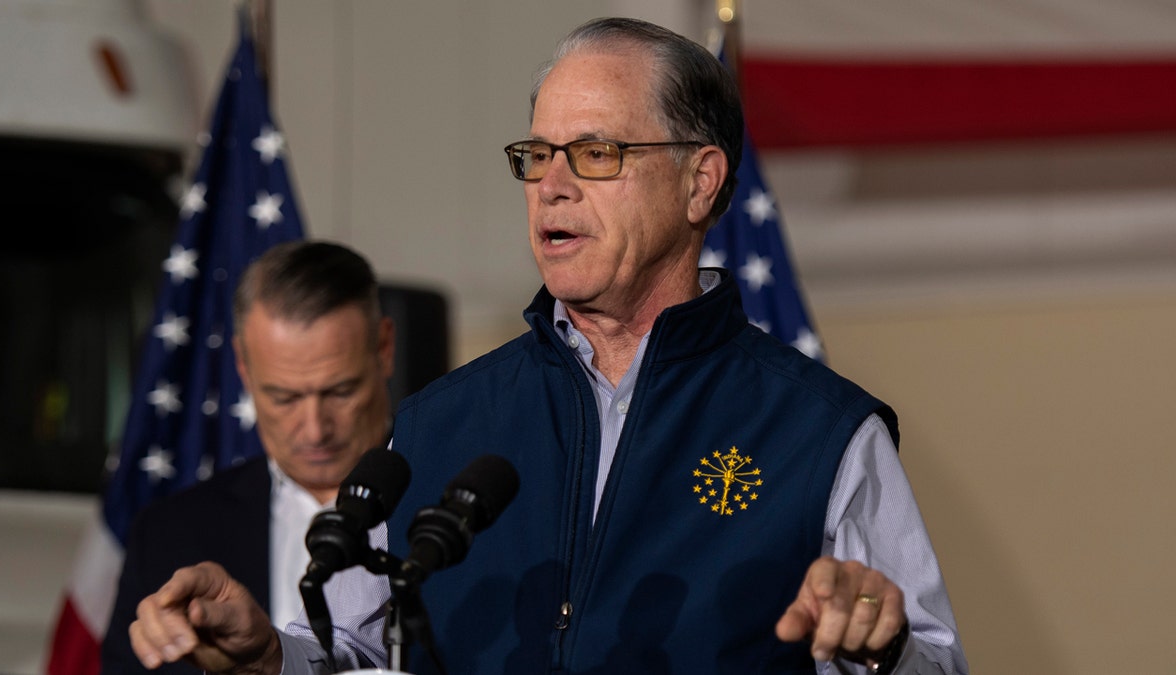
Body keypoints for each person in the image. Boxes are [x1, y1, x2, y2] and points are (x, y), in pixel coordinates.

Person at [129, 17, 968, 675]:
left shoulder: (821, 436)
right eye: (537, 155)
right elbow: (359, 651)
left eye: (596, 152)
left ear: (700, 182)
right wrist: (273, 655)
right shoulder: (435, 426)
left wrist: (883, 647)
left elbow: (937, 667)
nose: (552, 184)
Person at [102, 240, 395, 674]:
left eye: (340, 391)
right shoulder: (166, 536)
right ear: (243, 365)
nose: (314, 428)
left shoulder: (454, 508)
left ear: (384, 348)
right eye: (284, 397)